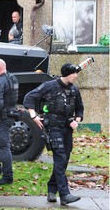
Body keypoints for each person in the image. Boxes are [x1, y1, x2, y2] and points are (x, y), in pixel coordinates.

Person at [23, 63, 84, 205]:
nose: (76, 76)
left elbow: (80, 108)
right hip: (53, 127)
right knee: (60, 158)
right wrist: (33, 116)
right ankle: (65, 195)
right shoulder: (49, 86)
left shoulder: (74, 90)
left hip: (67, 128)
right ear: (67, 74)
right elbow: (29, 97)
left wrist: (77, 120)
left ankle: (51, 189)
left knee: (64, 160)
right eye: (74, 73)